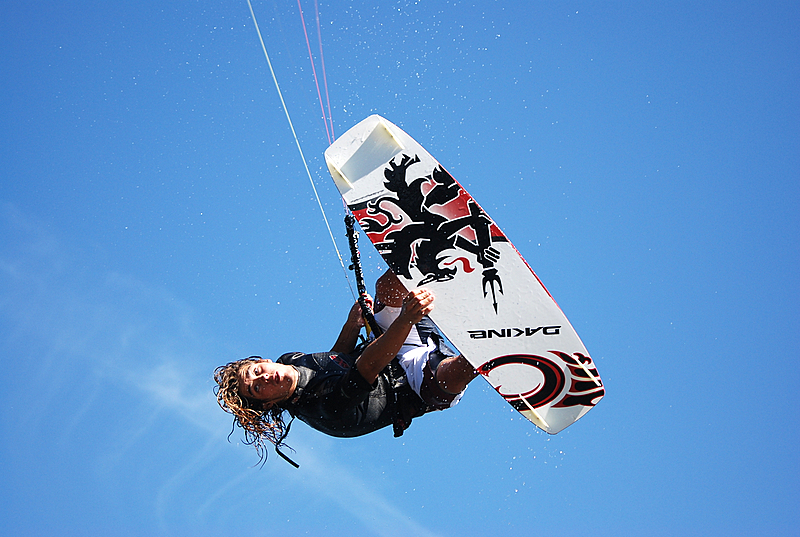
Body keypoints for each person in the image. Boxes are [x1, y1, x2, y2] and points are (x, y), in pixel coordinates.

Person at [214, 271, 477, 464]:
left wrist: (352, 325)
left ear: (264, 361)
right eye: (257, 389)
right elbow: (370, 364)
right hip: (415, 386)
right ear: (269, 403)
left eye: (256, 373)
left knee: (387, 287)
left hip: (391, 343)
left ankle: (449, 259)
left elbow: (334, 359)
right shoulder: (323, 407)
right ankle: (489, 349)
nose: (265, 379)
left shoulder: (289, 360)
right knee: (449, 375)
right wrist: (407, 317)